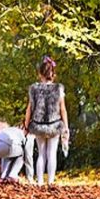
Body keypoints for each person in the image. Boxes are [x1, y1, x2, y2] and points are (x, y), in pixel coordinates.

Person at [24, 55, 68, 187]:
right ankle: (50, 181)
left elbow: (29, 109)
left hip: (38, 126)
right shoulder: (59, 89)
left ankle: (40, 182)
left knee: (41, 154)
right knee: (51, 153)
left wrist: (26, 126)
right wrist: (66, 126)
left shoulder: (34, 89)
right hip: (54, 125)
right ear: (53, 74)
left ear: (40, 74)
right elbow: (63, 109)